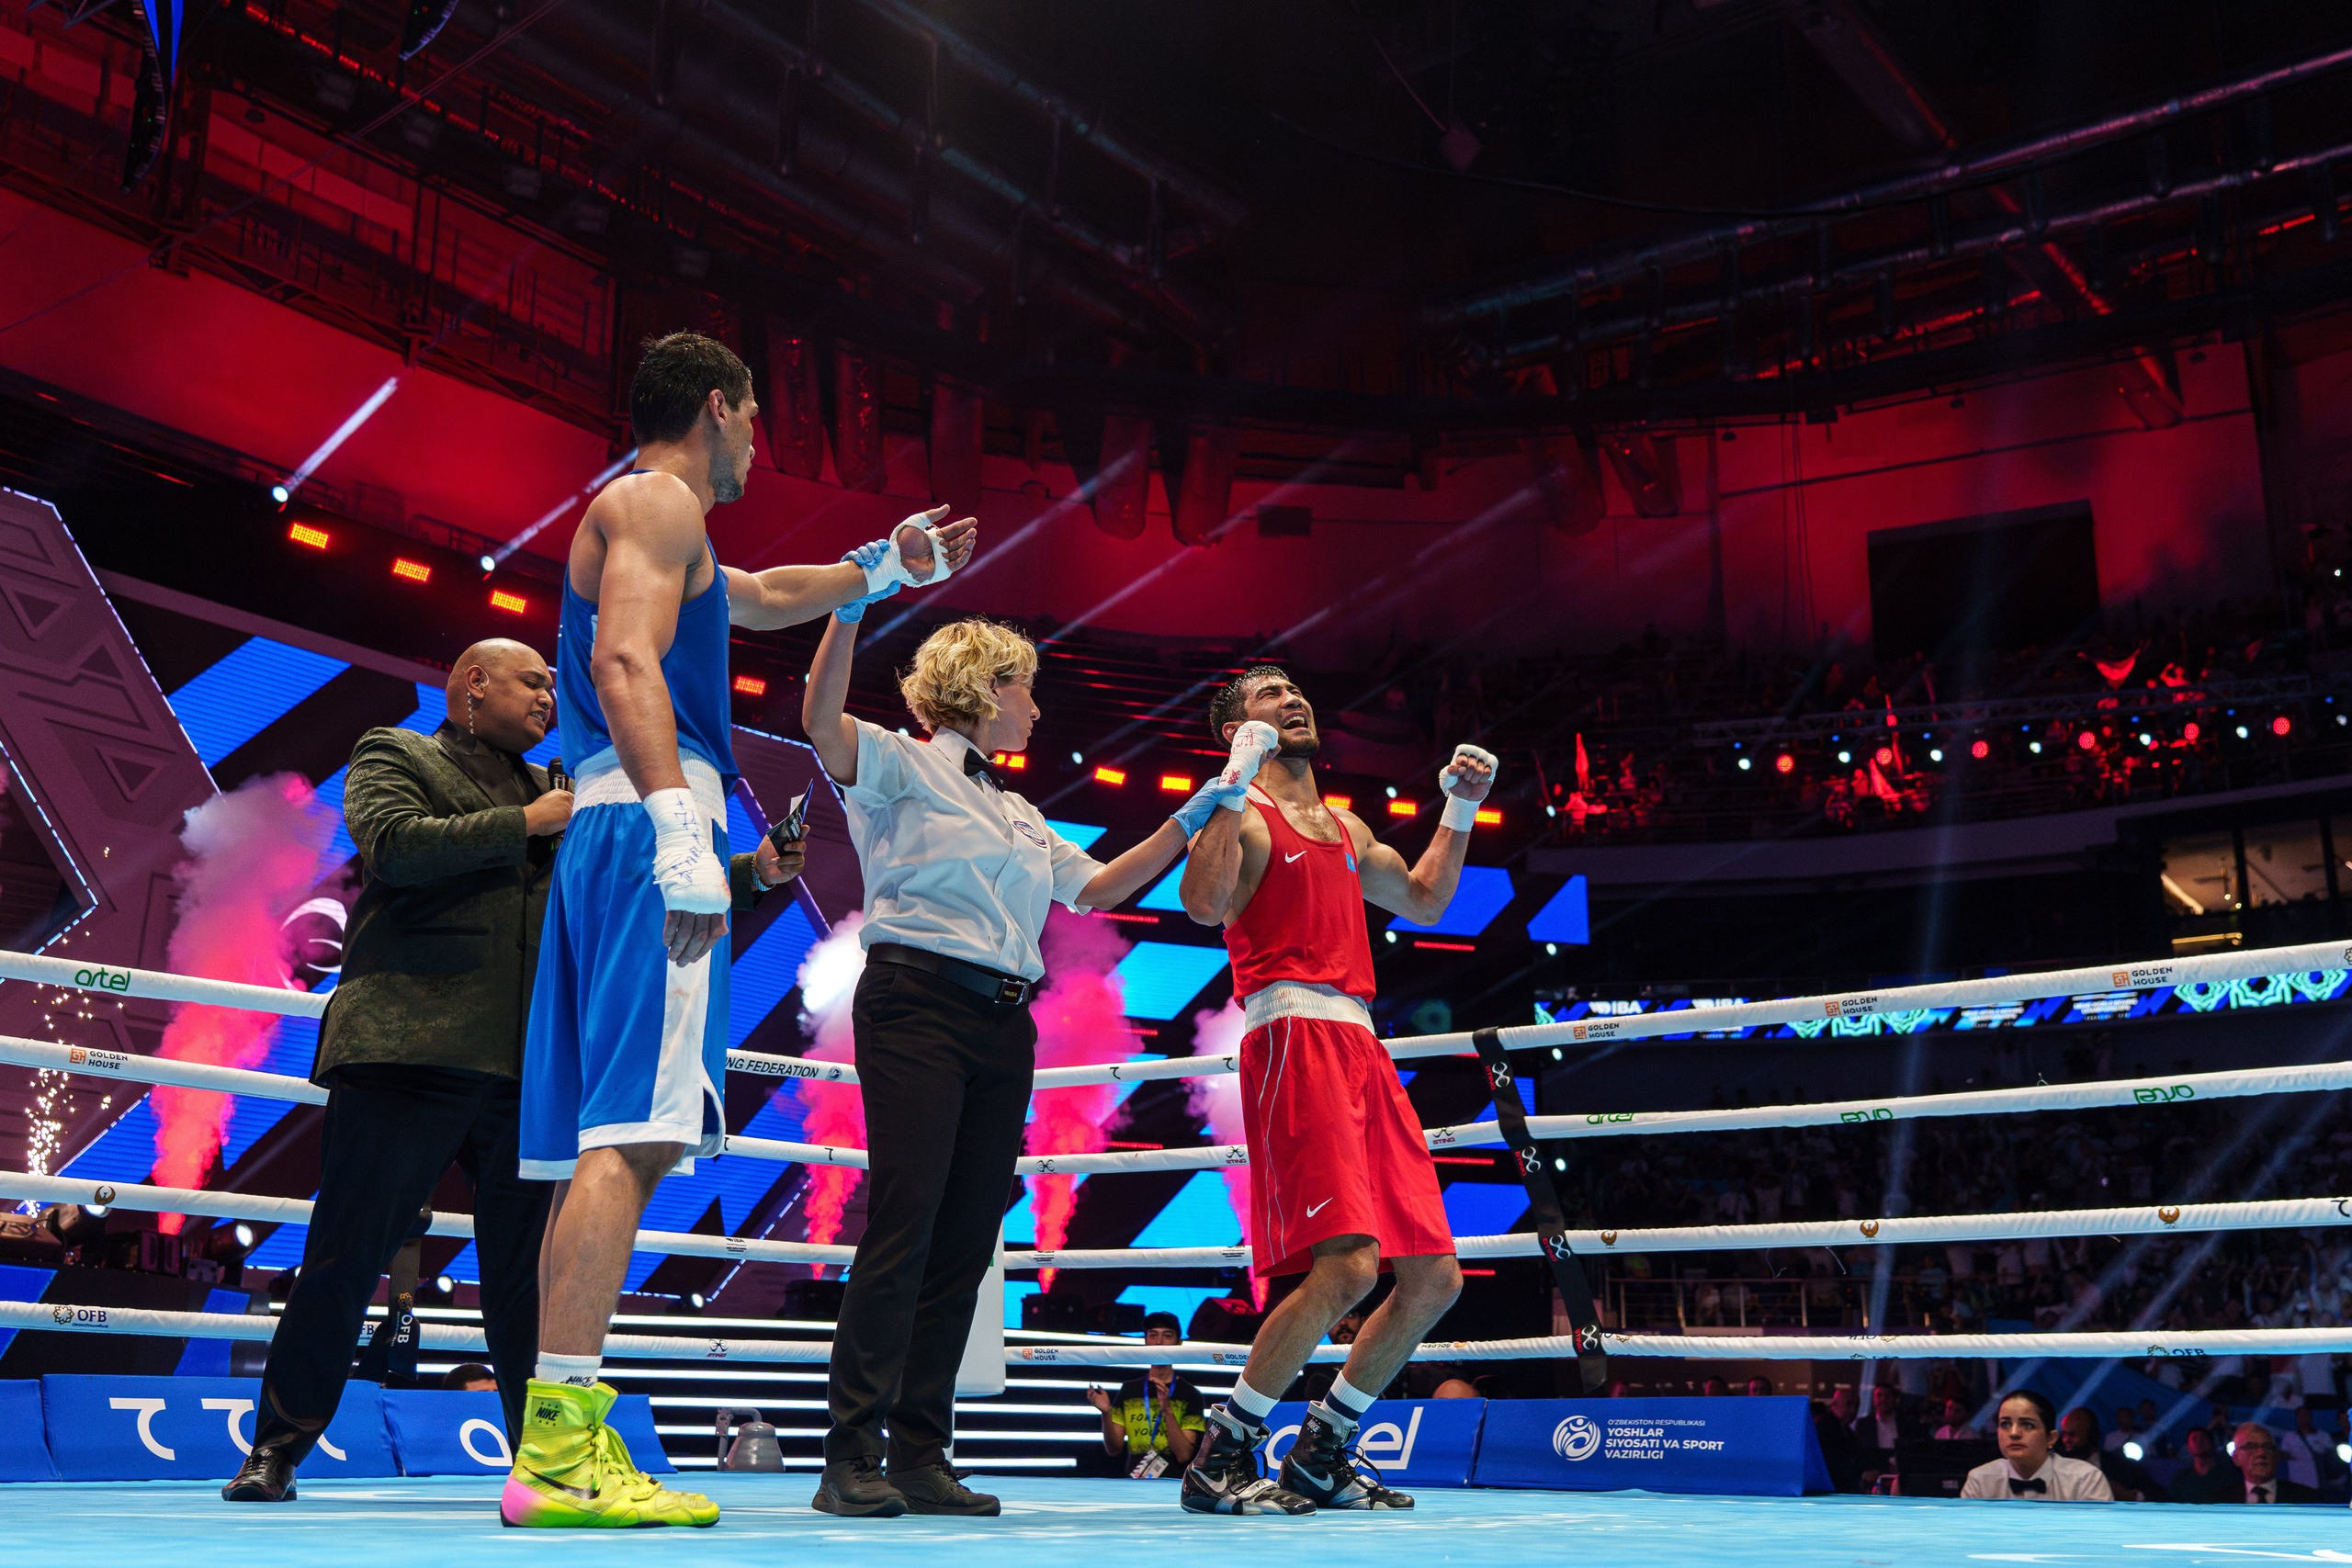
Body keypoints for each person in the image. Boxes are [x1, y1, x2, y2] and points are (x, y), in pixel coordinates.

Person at [504, 332, 969, 1530]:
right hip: (648, 821)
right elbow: (624, 658)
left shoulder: (661, 523)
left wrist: (879, 567)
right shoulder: (656, 499)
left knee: (609, 1141)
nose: (759, 440)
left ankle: (552, 1440)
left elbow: (760, 599)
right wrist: (679, 825)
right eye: (756, 416)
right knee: (635, 1135)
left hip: (612, 827)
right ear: (717, 406)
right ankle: (558, 1461)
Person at [223, 640, 657, 1503]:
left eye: (551, 685)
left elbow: (616, 884)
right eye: (532, 681)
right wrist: (527, 825)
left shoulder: (553, 788)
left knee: (528, 1281)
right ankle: (275, 1448)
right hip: (408, 1046)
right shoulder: (398, 751)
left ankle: (549, 1461)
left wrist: (750, 874)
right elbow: (392, 846)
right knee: (347, 1255)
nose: (548, 697)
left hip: (523, 1068)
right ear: (474, 684)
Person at [803, 615, 1213, 1519]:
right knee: (906, 1221)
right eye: (1025, 687)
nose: (1036, 707)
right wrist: (854, 602)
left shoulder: (1021, 811)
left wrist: (1193, 815)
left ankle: (920, 1457)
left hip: (1001, 1020)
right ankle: (848, 1458)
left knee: (966, 1240)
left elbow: (1100, 887)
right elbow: (819, 719)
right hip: (914, 1001)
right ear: (986, 688)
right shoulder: (900, 762)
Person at [1174, 665, 1498, 1515]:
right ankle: (1219, 1455)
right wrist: (1231, 779)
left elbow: (1425, 898)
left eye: (1294, 688)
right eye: (1268, 694)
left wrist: (1460, 807)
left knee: (1434, 1278)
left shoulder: (1347, 827)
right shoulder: (1244, 814)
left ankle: (1321, 1452)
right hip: (1293, 1034)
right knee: (1349, 1266)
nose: (1292, 698)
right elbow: (1202, 902)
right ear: (1238, 729)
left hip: (1362, 1043)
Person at [1086, 1314, 1205, 1475]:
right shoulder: (1129, 1390)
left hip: (1173, 1484)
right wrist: (1106, 1413)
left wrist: (1167, 1410)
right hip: (1135, 1484)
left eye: (1167, 1335)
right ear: (1146, 1341)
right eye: (1153, 1335)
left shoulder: (1190, 1395)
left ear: (1179, 1343)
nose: (1159, 1342)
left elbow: (1183, 1455)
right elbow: (1113, 1449)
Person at [1959, 1391, 2112, 1501]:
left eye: (2028, 1425)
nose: (2014, 1433)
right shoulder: (1980, 1480)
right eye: (2005, 1424)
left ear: (2051, 1438)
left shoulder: (2085, 1480)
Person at [2056, 1407, 2156, 1501]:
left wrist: (2130, 1496)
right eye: (2064, 1434)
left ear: (2092, 1435)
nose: (2066, 1440)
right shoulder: (2057, 1467)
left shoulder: (2121, 1466)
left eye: (2072, 1434)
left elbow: (2158, 1496)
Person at [2226, 1421, 2320, 1504]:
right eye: (2251, 1447)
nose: (2261, 1453)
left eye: (2268, 1447)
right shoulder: (2222, 1500)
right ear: (2236, 1458)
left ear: (2277, 1456)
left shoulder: (2307, 1498)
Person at [1815, 1387, 1866, 1494]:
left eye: (1856, 1406)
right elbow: (1833, 1463)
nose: (1853, 1410)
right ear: (1835, 1404)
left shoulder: (1848, 1433)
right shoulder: (1824, 1429)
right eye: (1849, 1403)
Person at [2168, 1427, 2242, 1503]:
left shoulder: (2228, 1475)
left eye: (2203, 1438)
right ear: (2187, 1447)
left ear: (2211, 1443)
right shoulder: (2181, 1480)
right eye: (2194, 1439)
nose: (2199, 1442)